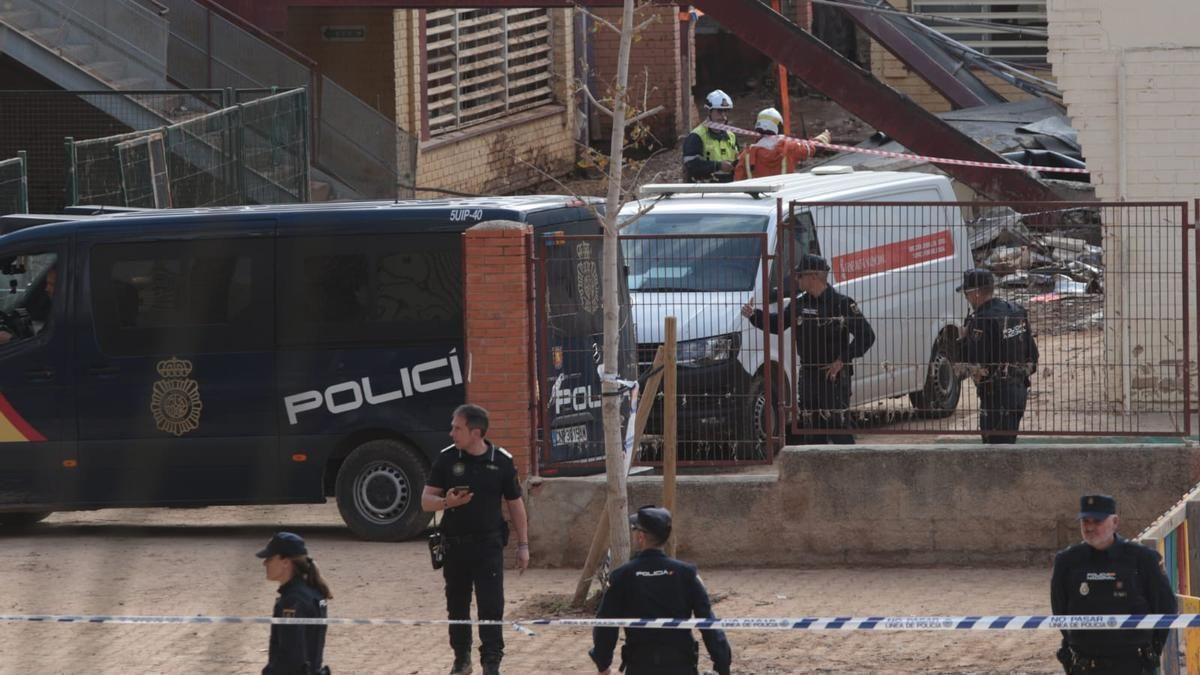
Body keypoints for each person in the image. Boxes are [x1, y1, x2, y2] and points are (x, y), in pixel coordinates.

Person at [422, 403, 530, 675]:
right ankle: (462, 659)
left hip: (488, 545)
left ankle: (491, 663)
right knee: (457, 605)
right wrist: (446, 502)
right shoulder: (447, 459)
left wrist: (524, 545)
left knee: (491, 607)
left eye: (457, 428)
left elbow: (515, 504)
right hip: (455, 545)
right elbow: (426, 502)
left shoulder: (500, 461)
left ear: (476, 432)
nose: (451, 433)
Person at [740, 254, 875, 444]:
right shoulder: (800, 303)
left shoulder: (842, 304)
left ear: (813, 276)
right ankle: (816, 473)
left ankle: (846, 472)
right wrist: (754, 315)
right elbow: (778, 324)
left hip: (834, 378)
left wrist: (842, 360)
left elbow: (867, 336)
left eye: (800, 275)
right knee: (812, 432)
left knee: (838, 429)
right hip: (809, 376)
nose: (796, 279)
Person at [590, 506, 732, 675]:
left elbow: (606, 623)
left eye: (634, 529)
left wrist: (603, 664)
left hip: (640, 666)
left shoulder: (622, 576)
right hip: (681, 665)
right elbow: (708, 622)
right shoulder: (687, 574)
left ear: (641, 537)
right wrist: (722, 665)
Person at [1051, 494, 1176, 674]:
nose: (1090, 527)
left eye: (1097, 521)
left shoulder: (1142, 558)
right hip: (1085, 665)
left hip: (1132, 664)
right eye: (1085, 521)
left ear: (1115, 522)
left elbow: (1165, 606)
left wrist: (1152, 649)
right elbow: (1060, 610)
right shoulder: (1067, 561)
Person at [956, 268, 1038, 444]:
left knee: (995, 452)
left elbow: (975, 363)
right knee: (1008, 444)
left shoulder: (981, 320)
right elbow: (1033, 356)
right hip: (1019, 392)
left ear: (976, 293)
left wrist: (963, 340)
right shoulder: (1015, 310)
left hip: (996, 397)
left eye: (966, 294)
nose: (966, 298)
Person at [257, 531, 332, 675]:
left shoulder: (292, 600)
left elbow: (291, 655)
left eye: (270, 558)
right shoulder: (313, 591)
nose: (265, 563)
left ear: (285, 562)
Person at [732, 107, 831, 181]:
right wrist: (823, 138)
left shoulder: (747, 155)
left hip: (758, 205)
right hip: (784, 201)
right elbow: (812, 149)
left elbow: (737, 181)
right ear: (779, 127)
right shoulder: (789, 147)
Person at [682, 89, 740, 183]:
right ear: (709, 111)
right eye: (719, 111)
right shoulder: (696, 136)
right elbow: (691, 166)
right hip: (703, 191)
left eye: (726, 111)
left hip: (728, 189)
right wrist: (718, 166)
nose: (723, 116)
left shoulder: (731, 136)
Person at [0, 264, 55, 345]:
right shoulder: (57, 311)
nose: (46, 289)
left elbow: (42, 351)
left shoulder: (61, 317)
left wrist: (10, 340)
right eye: (47, 283)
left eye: (51, 284)